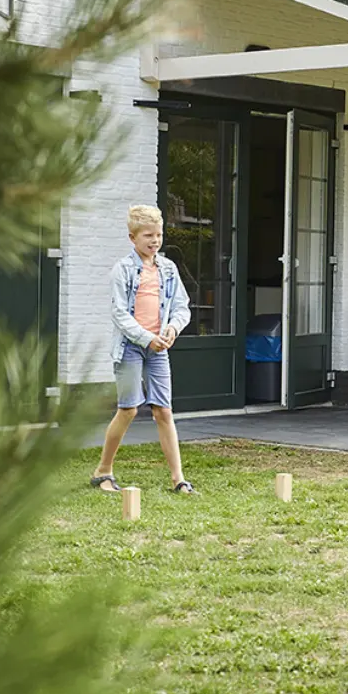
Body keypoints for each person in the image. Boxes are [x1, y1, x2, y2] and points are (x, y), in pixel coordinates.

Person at [90, 205, 197, 496]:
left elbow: (181, 307)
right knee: (128, 409)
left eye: (158, 235)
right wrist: (147, 337)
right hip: (130, 347)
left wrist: (172, 328)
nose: (155, 240)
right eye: (148, 235)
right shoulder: (122, 270)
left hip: (158, 348)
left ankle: (178, 480)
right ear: (132, 237)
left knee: (164, 411)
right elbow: (119, 314)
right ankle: (103, 471)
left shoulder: (168, 269)